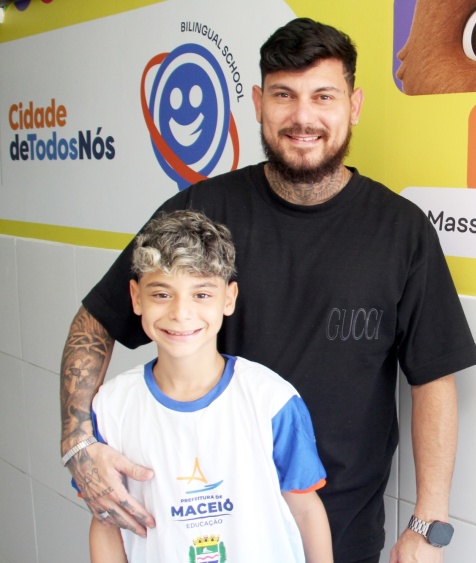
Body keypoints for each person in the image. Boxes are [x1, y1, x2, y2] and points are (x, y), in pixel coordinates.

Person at [60, 17, 476, 563]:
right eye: (284, 95)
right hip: (208, 531)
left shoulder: (401, 230)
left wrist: (428, 525)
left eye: (322, 96)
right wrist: (78, 443)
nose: (303, 117)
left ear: (353, 105)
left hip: (341, 532)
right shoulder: (201, 213)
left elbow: (433, 378)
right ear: (258, 101)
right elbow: (96, 319)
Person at [83, 209, 332, 563]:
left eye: (201, 294)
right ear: (136, 298)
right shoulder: (111, 407)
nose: (181, 313)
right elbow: (106, 521)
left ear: (228, 298)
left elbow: (306, 511)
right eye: (162, 294)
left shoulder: (272, 400)